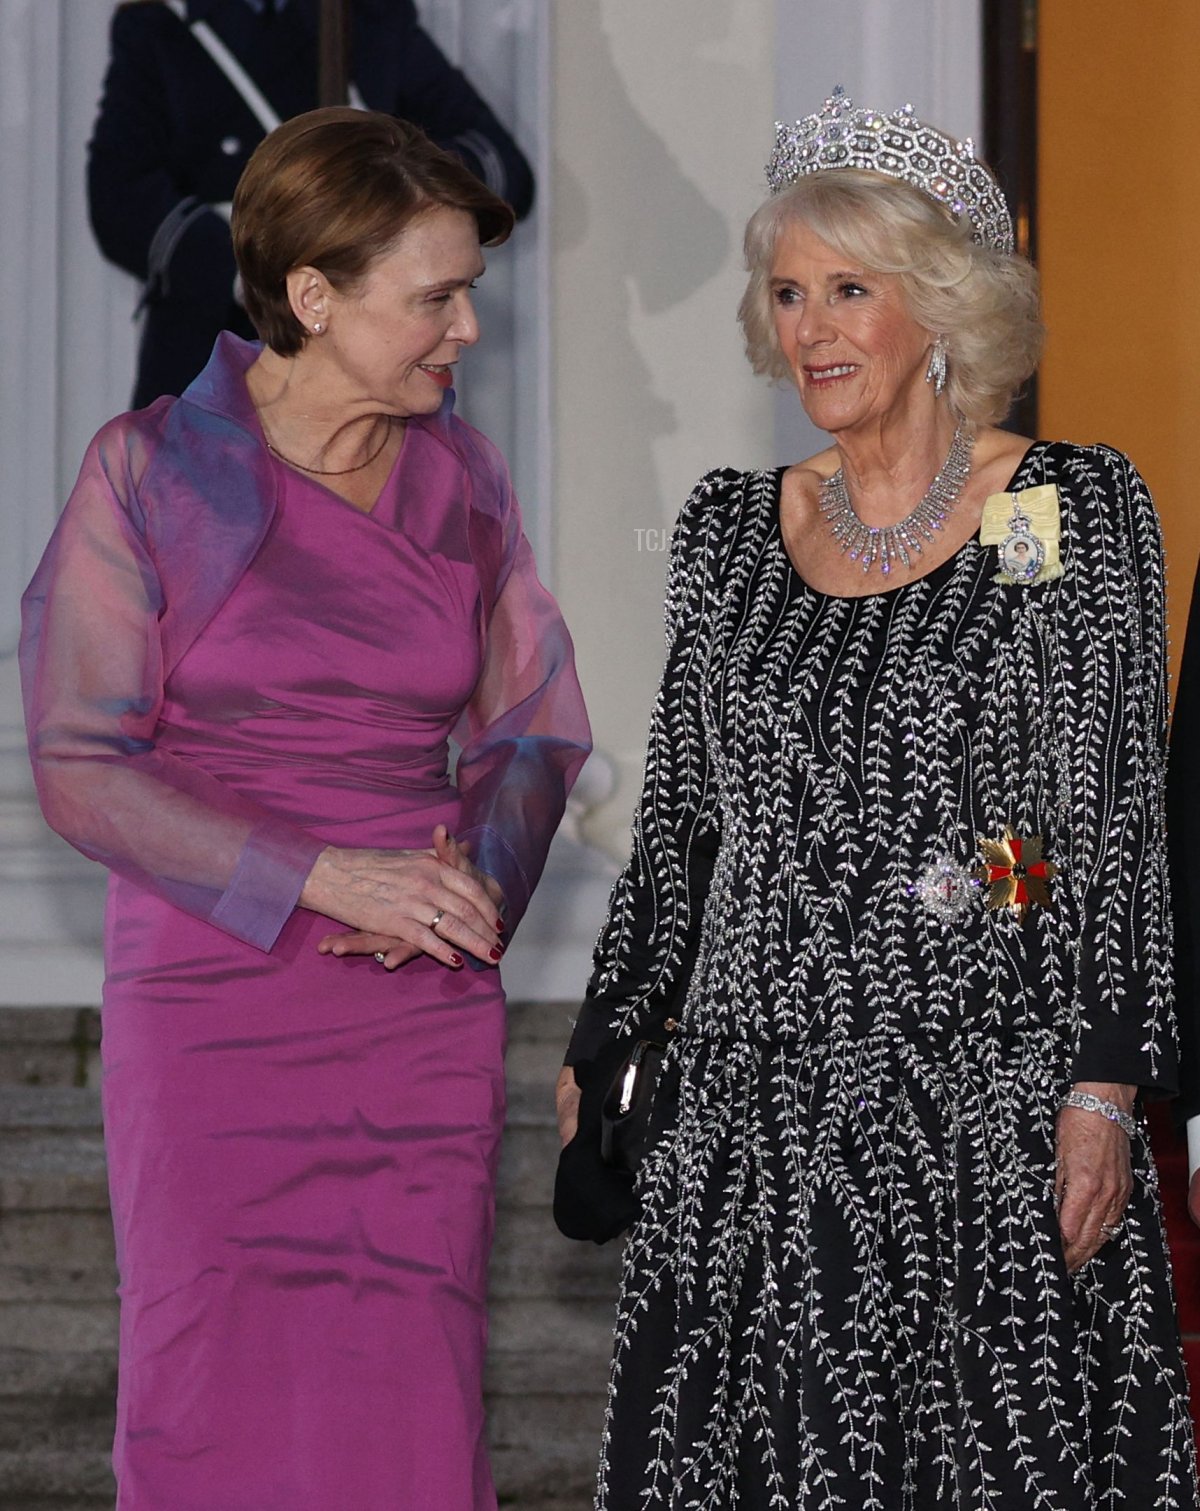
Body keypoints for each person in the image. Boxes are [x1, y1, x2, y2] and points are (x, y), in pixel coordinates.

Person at [556, 88, 1197, 1508]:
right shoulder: (735, 528)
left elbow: (1091, 812)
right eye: (789, 291)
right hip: (754, 1098)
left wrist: (1098, 1083)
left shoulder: (1056, 510)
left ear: (945, 307)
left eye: (853, 288)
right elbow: (683, 818)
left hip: (980, 1093)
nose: (812, 326)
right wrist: (611, 1023)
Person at [23, 106, 588, 1509]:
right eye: (436, 297)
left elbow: (534, 724)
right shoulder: (148, 472)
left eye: (469, 292)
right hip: (216, 993)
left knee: (412, 1368)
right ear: (317, 297)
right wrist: (326, 872)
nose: (465, 330)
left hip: (415, 1005)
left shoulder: (461, 475)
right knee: (210, 1365)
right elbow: (81, 760)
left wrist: (475, 884)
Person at [89, 0, 535, 408]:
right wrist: (254, 271)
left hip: (366, 373)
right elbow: (119, 198)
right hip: (215, 348)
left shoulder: (370, 16)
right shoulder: (163, 22)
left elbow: (504, 168)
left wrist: (392, 188)